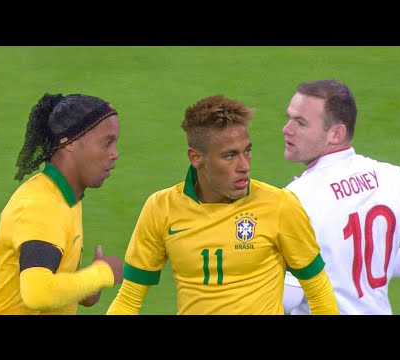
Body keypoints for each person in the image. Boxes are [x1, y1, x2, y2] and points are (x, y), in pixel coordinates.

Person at [107, 94, 339, 315]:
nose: (244, 166)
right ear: (196, 157)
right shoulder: (161, 208)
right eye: (229, 156)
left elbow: (318, 290)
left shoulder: (279, 205)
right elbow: (129, 298)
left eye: (247, 151)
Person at [281, 79, 400, 315]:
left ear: (336, 133)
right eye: (289, 117)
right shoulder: (393, 177)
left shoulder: (297, 198)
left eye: (300, 123)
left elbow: (289, 297)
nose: (286, 129)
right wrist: (371, 266)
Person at [0, 93, 124, 315]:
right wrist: (102, 273)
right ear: (69, 144)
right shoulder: (41, 205)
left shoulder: (65, 198)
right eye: (106, 142)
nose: (115, 154)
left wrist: (88, 287)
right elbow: (38, 293)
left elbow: (54, 283)